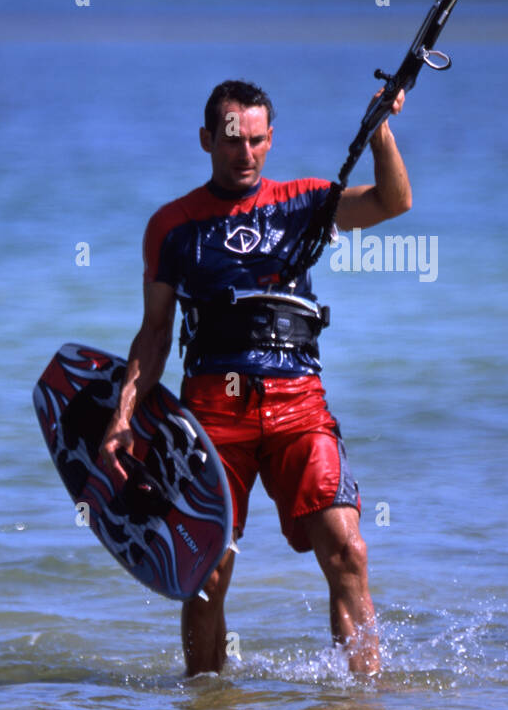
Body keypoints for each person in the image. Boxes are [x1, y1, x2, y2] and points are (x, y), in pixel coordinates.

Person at [99, 79, 410, 677]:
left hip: (299, 403)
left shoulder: (304, 202)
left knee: (348, 550)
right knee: (207, 576)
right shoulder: (173, 227)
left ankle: (369, 708)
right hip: (214, 414)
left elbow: (393, 202)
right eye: (233, 141)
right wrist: (123, 417)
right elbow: (156, 333)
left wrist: (381, 133)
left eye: (257, 141)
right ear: (207, 140)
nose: (245, 154)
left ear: (271, 141)